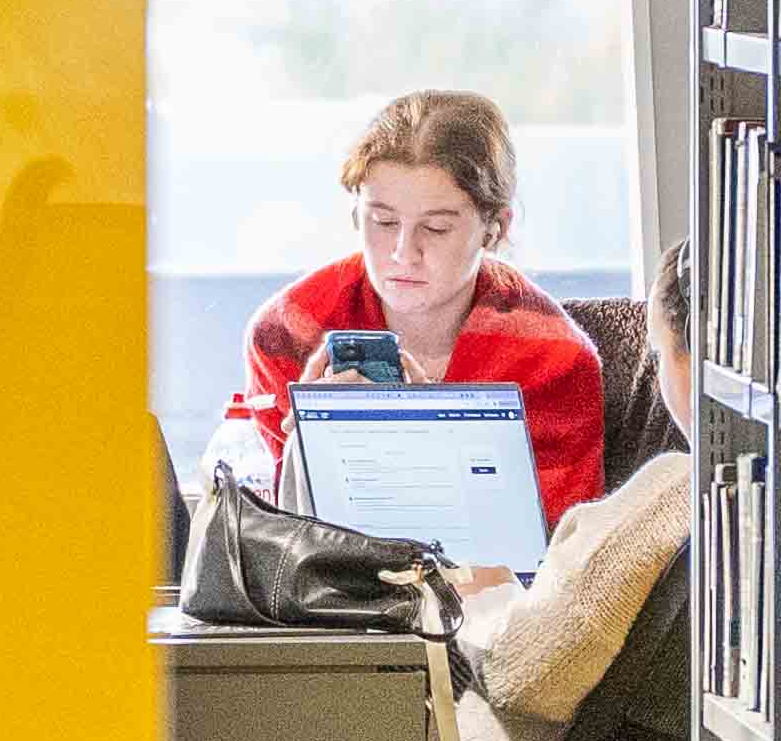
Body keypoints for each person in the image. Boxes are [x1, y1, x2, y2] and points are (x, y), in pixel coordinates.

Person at [223, 86, 612, 531]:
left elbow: (557, 557)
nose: (404, 252)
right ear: (356, 214)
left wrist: (426, 440)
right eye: (383, 221)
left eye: (437, 227)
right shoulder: (290, 333)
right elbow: (282, 539)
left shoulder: (554, 362)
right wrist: (315, 449)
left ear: (494, 228)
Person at [433, 242, 691, 741]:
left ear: (689, 356)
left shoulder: (671, 496)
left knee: (382, 709)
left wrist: (483, 591)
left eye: (657, 355)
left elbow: (526, 678)